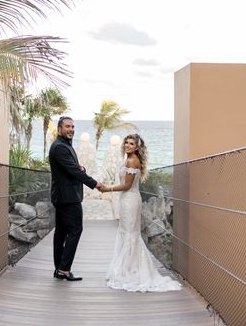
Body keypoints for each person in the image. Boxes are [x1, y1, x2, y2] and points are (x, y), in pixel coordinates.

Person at [102, 133, 182, 292]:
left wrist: (107, 189)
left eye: (131, 144)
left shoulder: (132, 160)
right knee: (126, 233)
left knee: (131, 235)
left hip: (130, 200)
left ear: (137, 147)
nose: (127, 145)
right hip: (126, 200)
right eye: (126, 143)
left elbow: (126, 186)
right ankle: (128, 269)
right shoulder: (127, 159)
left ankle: (133, 271)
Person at [49, 116, 103, 281]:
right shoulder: (59, 147)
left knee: (62, 232)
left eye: (73, 126)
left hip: (64, 196)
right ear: (59, 129)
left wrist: (80, 168)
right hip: (67, 198)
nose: (71, 129)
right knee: (75, 230)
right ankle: (64, 269)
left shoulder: (64, 145)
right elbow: (75, 171)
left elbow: (74, 168)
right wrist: (95, 184)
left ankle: (59, 269)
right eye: (67, 126)